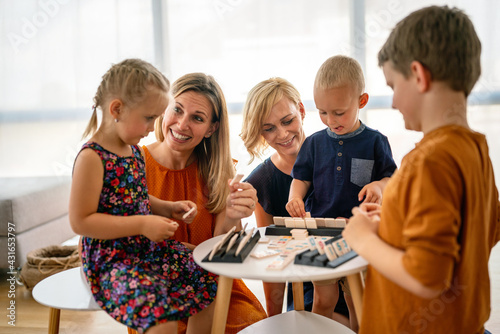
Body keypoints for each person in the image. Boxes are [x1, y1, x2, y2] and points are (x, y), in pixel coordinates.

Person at [343, 6, 499, 334]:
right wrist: (393, 224)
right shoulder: (475, 149)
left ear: (418, 75)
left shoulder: (430, 161)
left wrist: (364, 239)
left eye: (393, 86)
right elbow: (479, 230)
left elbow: (427, 277)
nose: (395, 102)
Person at [69, 59, 218, 334]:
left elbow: (134, 196)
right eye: (149, 117)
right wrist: (141, 224)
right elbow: (81, 221)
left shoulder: (134, 150)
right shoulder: (92, 157)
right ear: (117, 109)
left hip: (143, 252)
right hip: (110, 261)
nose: (153, 127)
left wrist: (166, 207)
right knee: (161, 315)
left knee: (206, 279)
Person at [143, 72, 267, 334]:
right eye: (176, 110)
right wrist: (174, 253)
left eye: (197, 118)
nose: (182, 124)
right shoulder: (135, 165)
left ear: (212, 128)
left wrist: (233, 215)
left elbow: (222, 248)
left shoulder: (219, 172)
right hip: (155, 289)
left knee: (251, 327)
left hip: (214, 286)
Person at [286, 55, 397, 329]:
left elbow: (392, 178)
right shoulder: (313, 143)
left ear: (361, 101)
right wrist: (295, 197)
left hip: (360, 233)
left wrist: (379, 186)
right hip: (321, 233)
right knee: (323, 299)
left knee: (357, 299)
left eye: (338, 112)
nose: (330, 120)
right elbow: (301, 178)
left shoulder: (375, 142)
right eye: (322, 112)